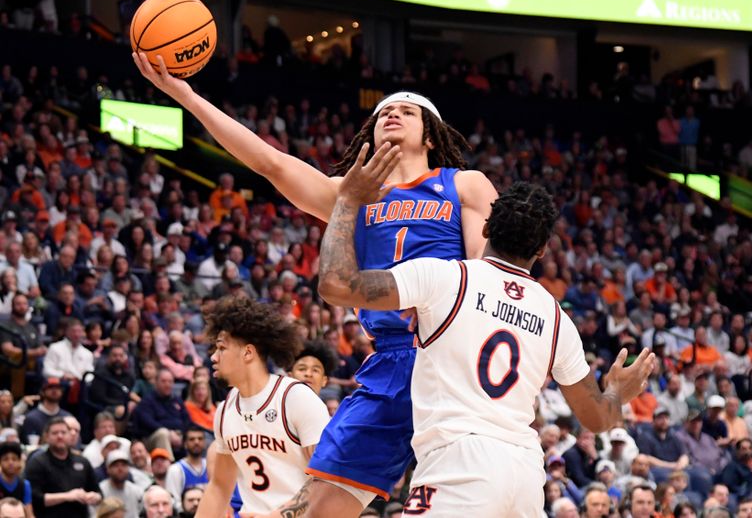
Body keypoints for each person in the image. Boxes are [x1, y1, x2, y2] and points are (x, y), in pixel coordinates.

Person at [135, 52, 497, 513]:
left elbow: (487, 279)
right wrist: (185, 96)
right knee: (315, 507)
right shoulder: (349, 194)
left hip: (449, 361)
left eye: (407, 110)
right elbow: (269, 162)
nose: (393, 113)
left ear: (430, 133)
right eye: (384, 110)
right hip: (389, 362)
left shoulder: (464, 185)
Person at [314, 171, 655, 516]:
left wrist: (346, 201)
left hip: (459, 464)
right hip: (524, 474)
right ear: (542, 248)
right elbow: (597, 417)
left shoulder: (446, 277)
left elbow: (335, 286)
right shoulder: (556, 318)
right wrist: (616, 394)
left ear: (487, 228)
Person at [195, 296, 329, 517]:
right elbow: (219, 488)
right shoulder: (225, 410)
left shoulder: (295, 398)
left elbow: (326, 480)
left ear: (248, 353)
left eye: (221, 348)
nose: (213, 357)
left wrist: (277, 515)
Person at [24, 417, 102, 517]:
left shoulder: (82, 461)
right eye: (55, 433)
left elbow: (98, 493)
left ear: (70, 436)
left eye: (63, 432)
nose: (60, 436)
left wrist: (94, 497)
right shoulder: (37, 462)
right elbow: (34, 498)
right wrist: (67, 496)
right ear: (47, 437)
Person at [165, 426, 207, 512]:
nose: (196, 442)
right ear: (185, 444)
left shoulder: (211, 466)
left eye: (200, 439)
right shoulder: (176, 469)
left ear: (205, 442)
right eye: (192, 439)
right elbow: (173, 501)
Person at [99, 449, 144, 518]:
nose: (120, 469)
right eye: (116, 465)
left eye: (123, 465)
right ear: (108, 469)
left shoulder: (137, 491)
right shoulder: (100, 491)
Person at [0, 442, 32, 517]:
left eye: (14, 459)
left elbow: (29, 514)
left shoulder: (25, 485)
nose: (10, 463)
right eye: (5, 459)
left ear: (20, 461)